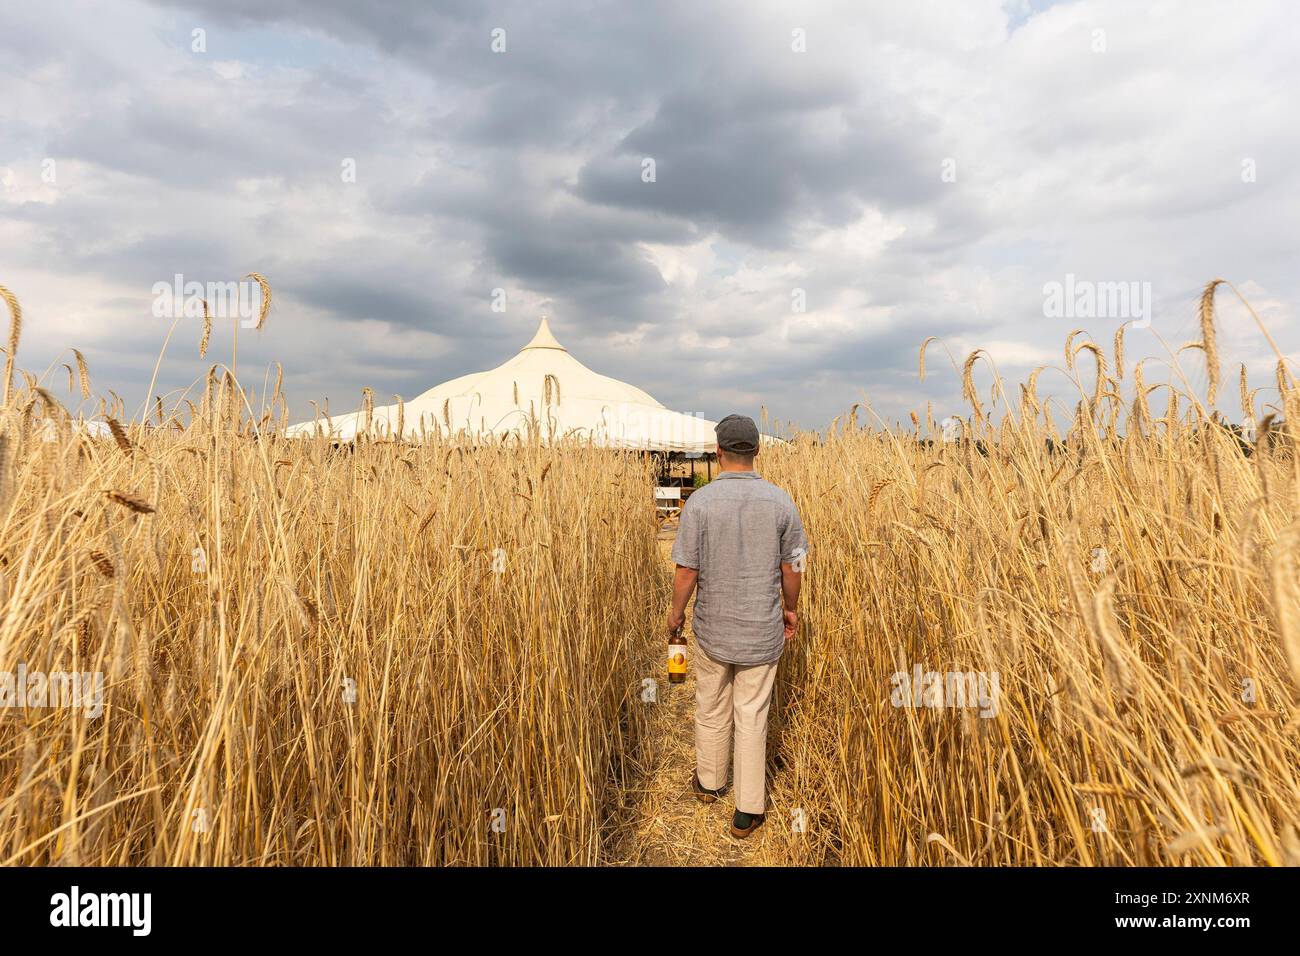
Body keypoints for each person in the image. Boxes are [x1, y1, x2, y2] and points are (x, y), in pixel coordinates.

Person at [667, 414, 806, 838]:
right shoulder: (782, 502)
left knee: (710, 706)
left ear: (718, 452)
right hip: (761, 632)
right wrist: (790, 608)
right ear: (758, 452)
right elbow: (793, 565)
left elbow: (687, 570)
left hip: (713, 630)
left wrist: (675, 615)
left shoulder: (700, 504)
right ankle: (747, 811)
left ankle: (710, 783)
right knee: (752, 716)